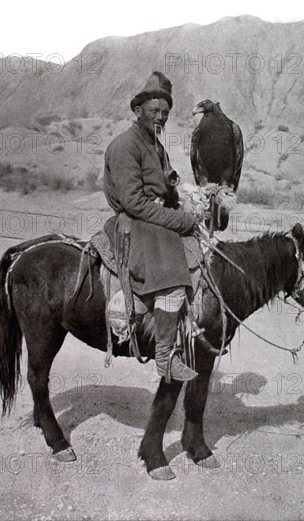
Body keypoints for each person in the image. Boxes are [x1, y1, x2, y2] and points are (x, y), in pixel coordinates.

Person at [103, 71, 198, 381]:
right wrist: (177, 219)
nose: (161, 117)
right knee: (173, 274)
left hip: (151, 216)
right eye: (155, 111)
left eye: (166, 113)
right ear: (138, 110)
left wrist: (176, 192)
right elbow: (132, 201)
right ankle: (166, 356)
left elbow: (161, 185)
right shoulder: (124, 145)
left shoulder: (155, 145)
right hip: (134, 223)